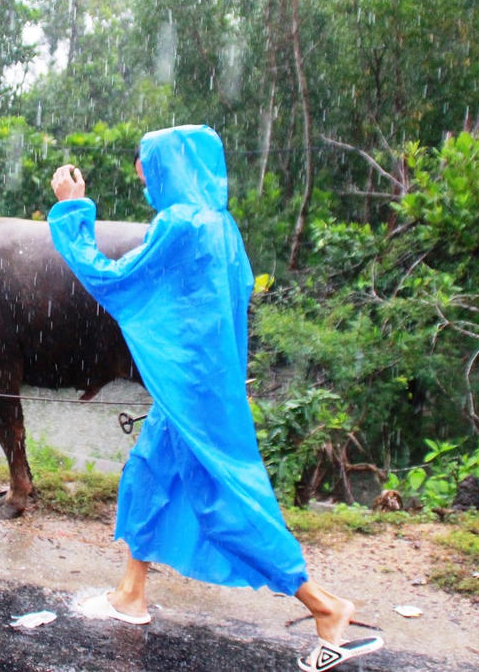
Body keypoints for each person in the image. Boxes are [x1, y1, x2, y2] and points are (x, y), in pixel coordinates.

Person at [48, 125, 383, 672]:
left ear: (173, 166)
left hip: (193, 393)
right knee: (149, 473)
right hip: (203, 383)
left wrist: (73, 208)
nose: (140, 170)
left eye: (147, 160)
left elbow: (111, 279)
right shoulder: (221, 226)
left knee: (224, 504)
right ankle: (130, 595)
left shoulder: (182, 225)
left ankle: (326, 607)